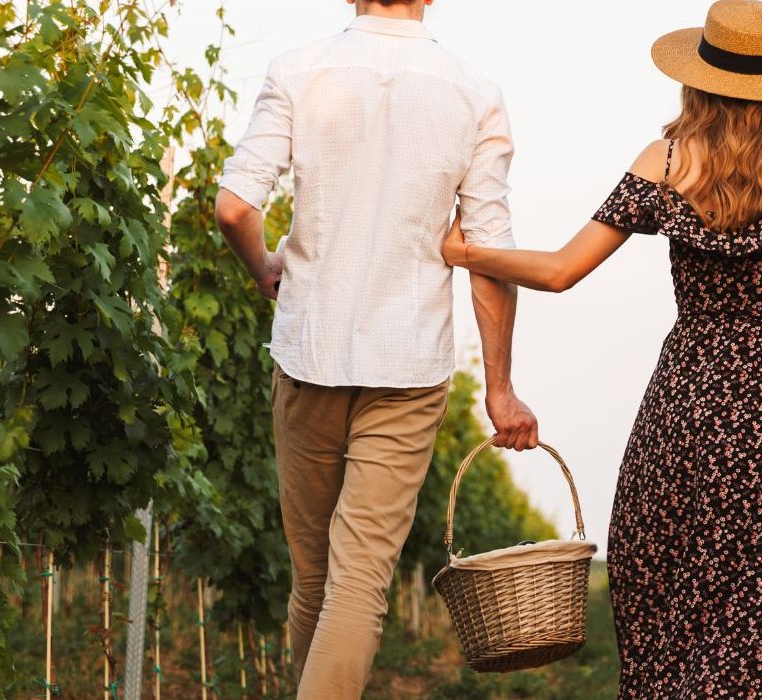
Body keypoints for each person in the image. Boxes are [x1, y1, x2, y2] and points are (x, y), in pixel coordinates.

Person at [439, 0, 762, 695]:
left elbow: (560, 271)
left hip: (685, 408)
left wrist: (466, 251)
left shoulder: (664, 160)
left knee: (681, 605)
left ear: (698, 77)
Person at [212, 0, 538, 696]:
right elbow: (486, 254)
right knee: (358, 583)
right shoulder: (476, 94)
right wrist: (501, 387)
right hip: (408, 366)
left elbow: (236, 205)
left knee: (314, 580)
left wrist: (263, 265)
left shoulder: (297, 71)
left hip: (309, 351)